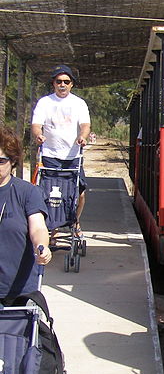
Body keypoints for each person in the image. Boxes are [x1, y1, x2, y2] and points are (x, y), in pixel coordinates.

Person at [31, 65, 90, 242]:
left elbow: (85, 125)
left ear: (72, 84)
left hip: (73, 157)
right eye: (59, 81)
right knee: (49, 193)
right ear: (53, 83)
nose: (62, 85)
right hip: (49, 155)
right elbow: (36, 125)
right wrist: (38, 135)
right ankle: (51, 226)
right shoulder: (45, 103)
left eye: (66, 81)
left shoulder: (79, 103)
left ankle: (75, 221)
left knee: (78, 193)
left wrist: (82, 137)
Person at [0, 127, 52, 304]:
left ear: (12, 161)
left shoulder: (27, 192)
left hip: (17, 292)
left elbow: (37, 227)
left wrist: (42, 247)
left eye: (0, 161)